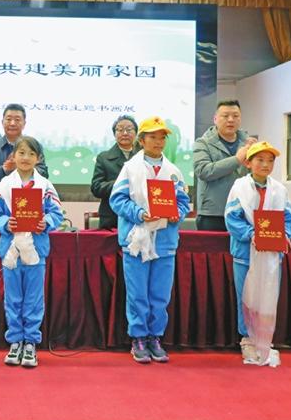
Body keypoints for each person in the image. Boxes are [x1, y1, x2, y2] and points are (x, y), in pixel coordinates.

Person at [110, 117, 190, 364]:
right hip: (136, 240)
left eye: (162, 137)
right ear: (141, 140)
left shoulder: (174, 171)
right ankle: (138, 338)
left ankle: (155, 337)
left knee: (160, 294)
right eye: (152, 137)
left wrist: (177, 214)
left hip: (165, 242)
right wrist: (139, 214)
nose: (158, 141)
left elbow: (183, 202)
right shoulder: (129, 169)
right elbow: (117, 200)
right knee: (137, 294)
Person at [0, 136, 63, 368]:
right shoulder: (4, 185)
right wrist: (5, 224)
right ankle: (15, 341)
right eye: (21, 153)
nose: (26, 158)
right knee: (13, 298)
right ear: (13, 156)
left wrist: (46, 222)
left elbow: (57, 213)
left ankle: (30, 342)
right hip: (11, 252)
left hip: (35, 251)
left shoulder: (45, 186)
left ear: (38, 158)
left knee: (33, 299)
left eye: (31, 154)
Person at [225, 141, 291, 367]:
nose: (266, 165)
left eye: (270, 161)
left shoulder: (279, 190)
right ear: (248, 163)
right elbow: (232, 218)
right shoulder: (239, 187)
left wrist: (286, 234)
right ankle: (247, 338)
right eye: (260, 160)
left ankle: (264, 339)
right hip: (245, 254)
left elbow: (289, 218)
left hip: (272, 255)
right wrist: (251, 234)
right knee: (246, 296)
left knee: (268, 296)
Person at [193, 100, 257, 231]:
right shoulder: (203, 143)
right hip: (213, 214)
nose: (231, 120)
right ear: (215, 119)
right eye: (225, 116)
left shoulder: (248, 144)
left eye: (235, 116)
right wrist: (237, 160)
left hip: (243, 211)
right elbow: (203, 171)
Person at [0, 104, 49, 199]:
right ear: (2, 122)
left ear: (24, 123)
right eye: (8, 119)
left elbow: (44, 173)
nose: (12, 123)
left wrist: (24, 168)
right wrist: (4, 169)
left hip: (29, 202)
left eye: (17, 120)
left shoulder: (35, 146)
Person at [90, 114, 140, 229]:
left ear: (136, 133)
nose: (125, 133)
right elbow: (96, 188)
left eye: (129, 129)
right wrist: (121, 184)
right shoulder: (104, 158)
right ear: (114, 134)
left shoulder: (143, 157)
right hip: (111, 217)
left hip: (139, 214)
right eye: (120, 130)